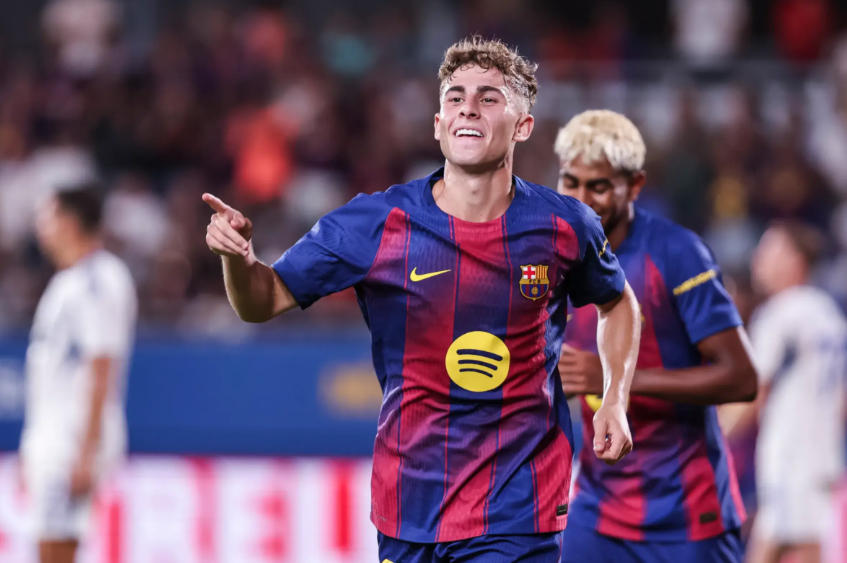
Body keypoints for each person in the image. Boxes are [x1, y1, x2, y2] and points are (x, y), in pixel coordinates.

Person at [203, 37, 641, 562]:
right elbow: (261, 301)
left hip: (518, 508)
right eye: (455, 97)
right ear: (438, 124)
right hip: (408, 505)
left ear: (522, 127)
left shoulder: (565, 225)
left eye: (488, 98)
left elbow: (618, 303)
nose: (468, 108)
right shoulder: (375, 223)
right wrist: (237, 259)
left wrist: (614, 398)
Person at [554, 110, 758, 562]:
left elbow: (742, 378)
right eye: (571, 182)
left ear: (635, 185)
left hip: (687, 513)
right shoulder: (555, 258)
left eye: (598, 186)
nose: (581, 199)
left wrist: (614, 379)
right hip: (597, 506)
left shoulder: (678, 253)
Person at [20, 184, 137, 563]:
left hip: (70, 441)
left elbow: (101, 364)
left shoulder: (99, 279)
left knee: (56, 550)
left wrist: (86, 452)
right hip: (53, 438)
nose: (40, 227)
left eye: (46, 217)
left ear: (69, 223)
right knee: (49, 544)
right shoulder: (67, 281)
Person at [730, 221, 846, 563]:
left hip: (790, 456)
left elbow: (751, 394)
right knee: (802, 547)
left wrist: (708, 436)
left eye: (770, 251)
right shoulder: (829, 314)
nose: (759, 260)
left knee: (782, 547)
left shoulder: (779, 314)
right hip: (824, 455)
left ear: (795, 259)